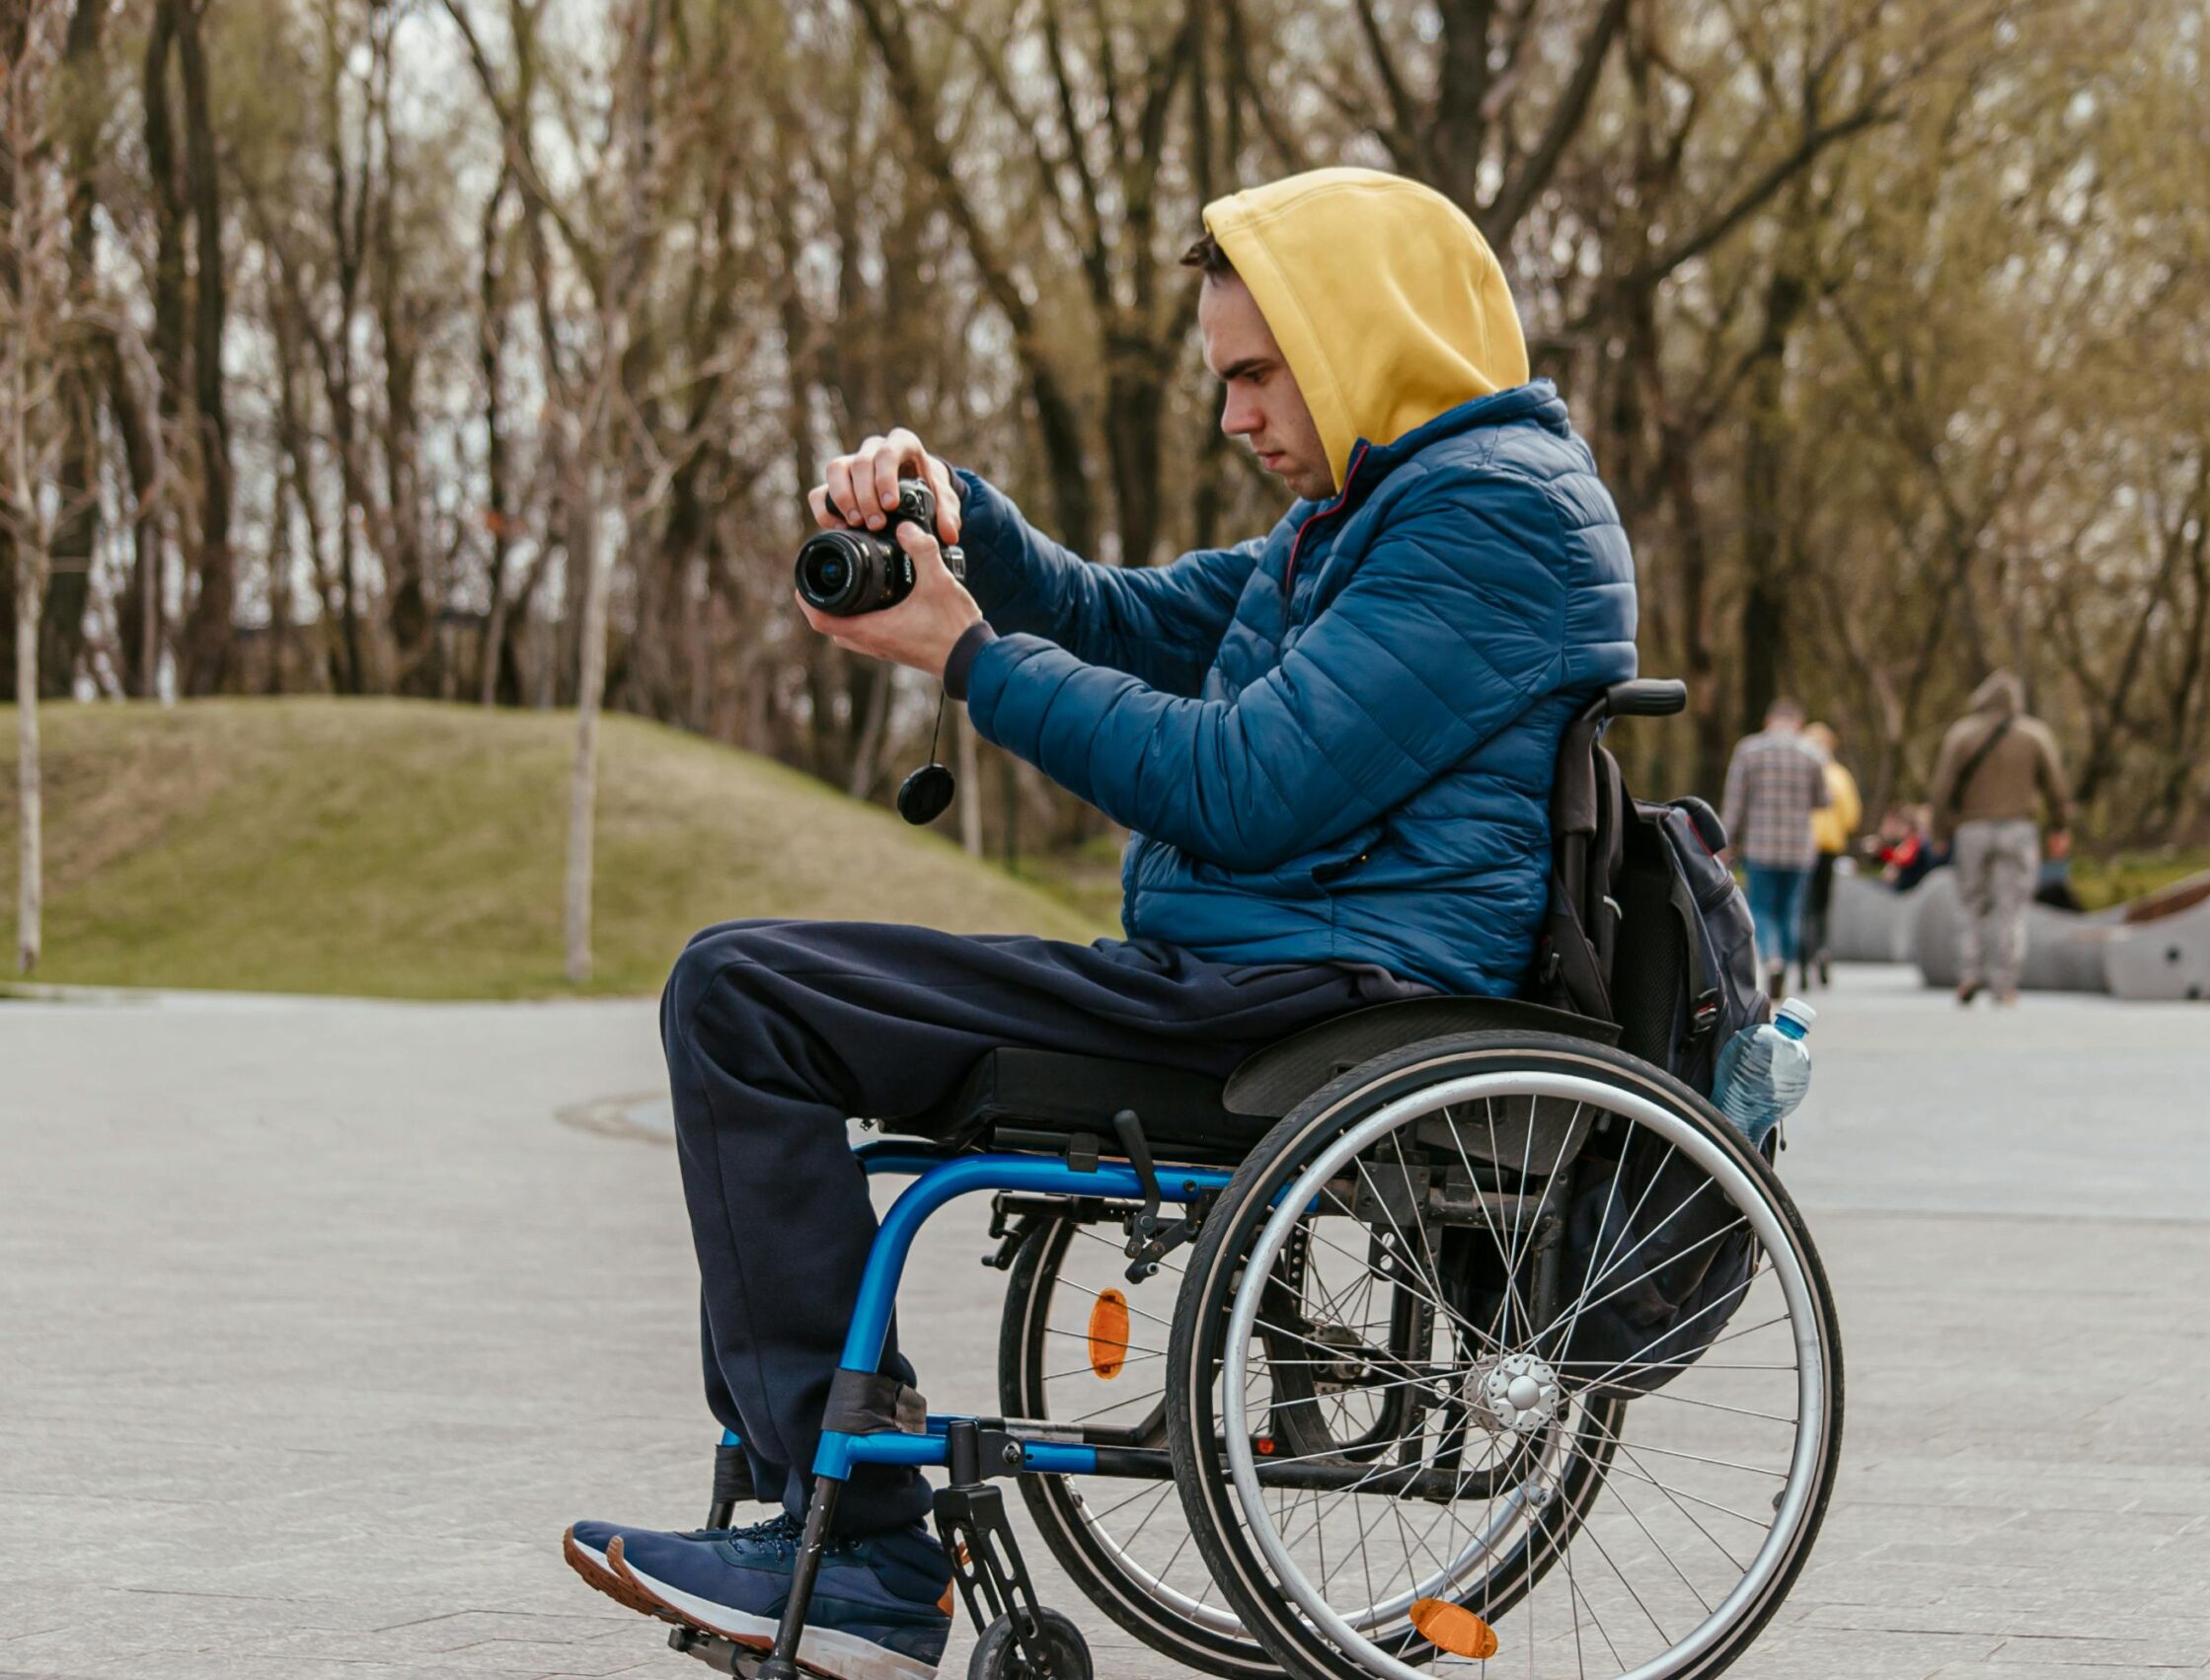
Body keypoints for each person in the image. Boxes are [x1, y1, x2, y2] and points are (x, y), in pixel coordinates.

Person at [561, 168, 1639, 1676]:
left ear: (1363, 339)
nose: (1235, 414)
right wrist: (964, 523)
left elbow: (1246, 787)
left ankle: (858, 1550)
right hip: (1265, 977)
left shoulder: (1488, 524)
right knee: (748, 993)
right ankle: (822, 1520)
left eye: (1260, 373)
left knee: (744, 997)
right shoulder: (1362, 514)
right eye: (1226, 378)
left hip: (1320, 1007)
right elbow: (1123, 617)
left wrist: (972, 663)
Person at [1926, 669, 2074, 1004]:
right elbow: (2055, 786)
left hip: (1972, 829)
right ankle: (2005, 983)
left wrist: (1939, 831)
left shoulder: (1962, 735)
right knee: (2012, 907)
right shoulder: (2035, 736)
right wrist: (2060, 827)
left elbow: (1942, 788)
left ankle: (1968, 974)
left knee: (1970, 904)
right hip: (2019, 829)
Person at [1719, 698, 1831, 998]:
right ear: (1798, 723)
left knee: (1761, 908)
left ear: (1768, 721)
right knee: (1790, 911)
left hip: (1761, 846)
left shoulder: (1749, 750)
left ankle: (1771, 958)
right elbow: (1825, 799)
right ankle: (1786, 963)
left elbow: (1734, 803)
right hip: (1798, 849)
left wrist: (1724, 842)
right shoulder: (1812, 753)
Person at [1798, 723, 1862, 989]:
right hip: (1829, 846)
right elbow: (1851, 816)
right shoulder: (1839, 776)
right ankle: (1822, 949)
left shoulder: (1798, 771)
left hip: (1801, 845)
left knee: (1802, 905)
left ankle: (1802, 957)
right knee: (1823, 904)